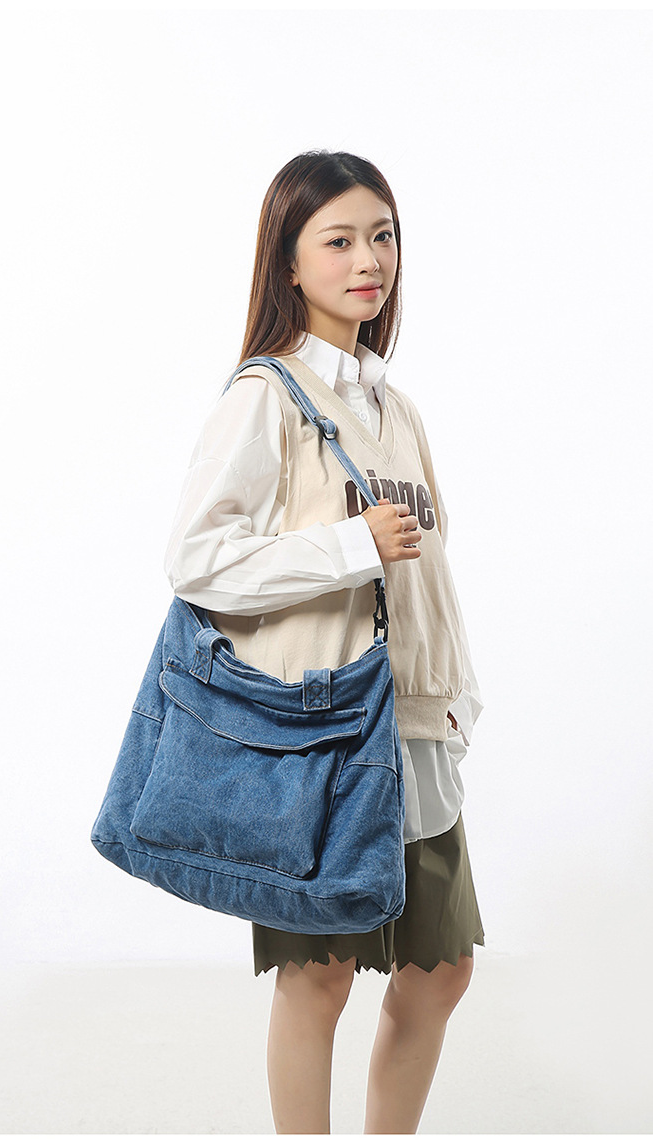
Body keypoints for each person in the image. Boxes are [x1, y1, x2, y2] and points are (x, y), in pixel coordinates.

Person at [163, 150, 485, 1134]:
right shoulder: (267, 395)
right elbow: (196, 558)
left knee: (441, 969)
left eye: (381, 235)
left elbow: (427, 573)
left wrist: (456, 698)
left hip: (412, 725)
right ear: (289, 264)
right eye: (338, 240)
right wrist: (348, 546)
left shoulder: (395, 407)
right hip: (323, 731)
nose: (368, 259)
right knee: (319, 976)